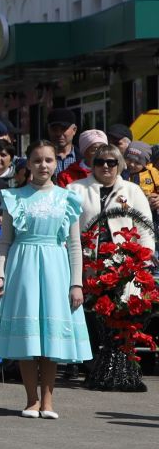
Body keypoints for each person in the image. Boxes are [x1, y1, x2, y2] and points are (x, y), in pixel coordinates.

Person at [0, 142, 89, 419]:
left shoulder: (67, 198)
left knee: (50, 340)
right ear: (28, 163)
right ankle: (31, 399)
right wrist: (1, 274)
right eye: (37, 160)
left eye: (49, 160)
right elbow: (5, 242)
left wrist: (76, 283)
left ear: (55, 164)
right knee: (27, 340)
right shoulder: (15, 197)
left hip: (55, 268)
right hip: (22, 268)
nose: (43, 165)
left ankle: (49, 401)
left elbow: (74, 245)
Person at [70, 142, 155, 392]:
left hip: (124, 265)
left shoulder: (132, 190)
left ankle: (118, 369)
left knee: (119, 317)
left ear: (120, 165)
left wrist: (144, 259)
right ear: (92, 164)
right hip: (89, 263)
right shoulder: (76, 189)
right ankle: (93, 366)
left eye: (111, 162)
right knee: (91, 318)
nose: (106, 167)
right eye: (100, 162)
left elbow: (145, 228)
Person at [47, 110, 79, 174]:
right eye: (54, 129)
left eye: (63, 129)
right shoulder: (39, 159)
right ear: (49, 130)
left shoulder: (84, 158)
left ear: (74, 130)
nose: (59, 133)